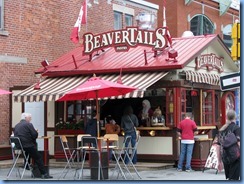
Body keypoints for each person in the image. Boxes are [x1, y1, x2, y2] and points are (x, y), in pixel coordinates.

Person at [14, 112, 53, 179]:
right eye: (29, 118)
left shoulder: (17, 125)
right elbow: (34, 135)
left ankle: (27, 165)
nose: (30, 119)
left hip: (19, 146)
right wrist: (36, 132)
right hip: (28, 145)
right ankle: (44, 174)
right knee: (38, 157)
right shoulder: (29, 124)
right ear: (26, 118)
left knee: (29, 151)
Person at [217, 109, 240, 180]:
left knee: (229, 178)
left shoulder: (221, 130)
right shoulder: (236, 128)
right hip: (235, 157)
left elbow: (218, 146)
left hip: (225, 157)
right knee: (234, 179)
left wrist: (219, 161)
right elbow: (239, 143)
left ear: (226, 117)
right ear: (235, 118)